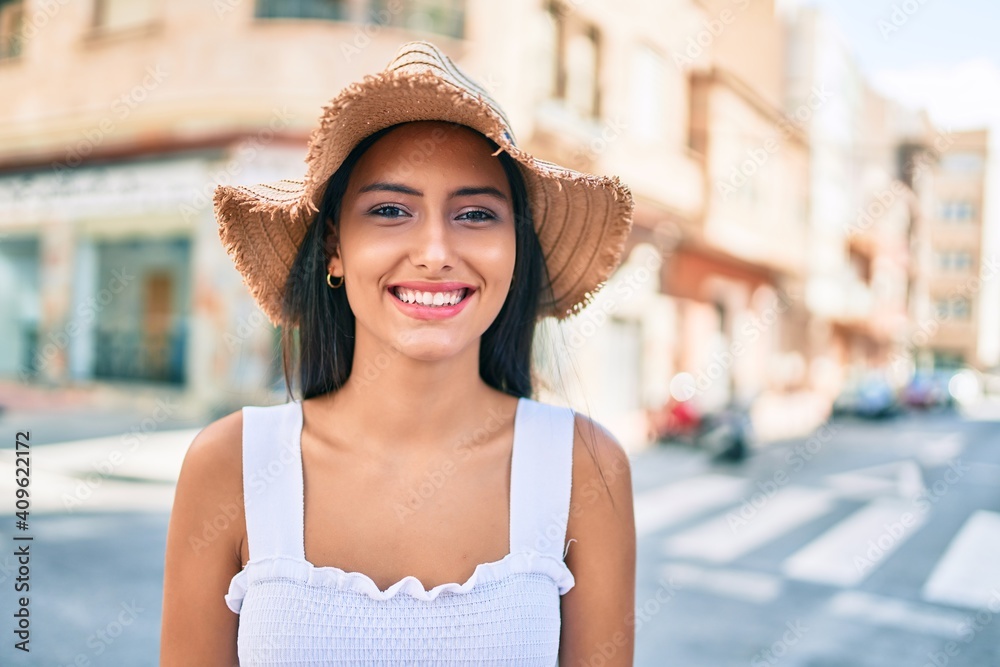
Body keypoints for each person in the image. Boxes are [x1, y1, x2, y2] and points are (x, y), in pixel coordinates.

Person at [160, 40, 636, 665]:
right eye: (389, 210)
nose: (435, 251)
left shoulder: (585, 469)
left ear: (515, 251)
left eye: (474, 214)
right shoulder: (230, 466)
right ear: (334, 247)